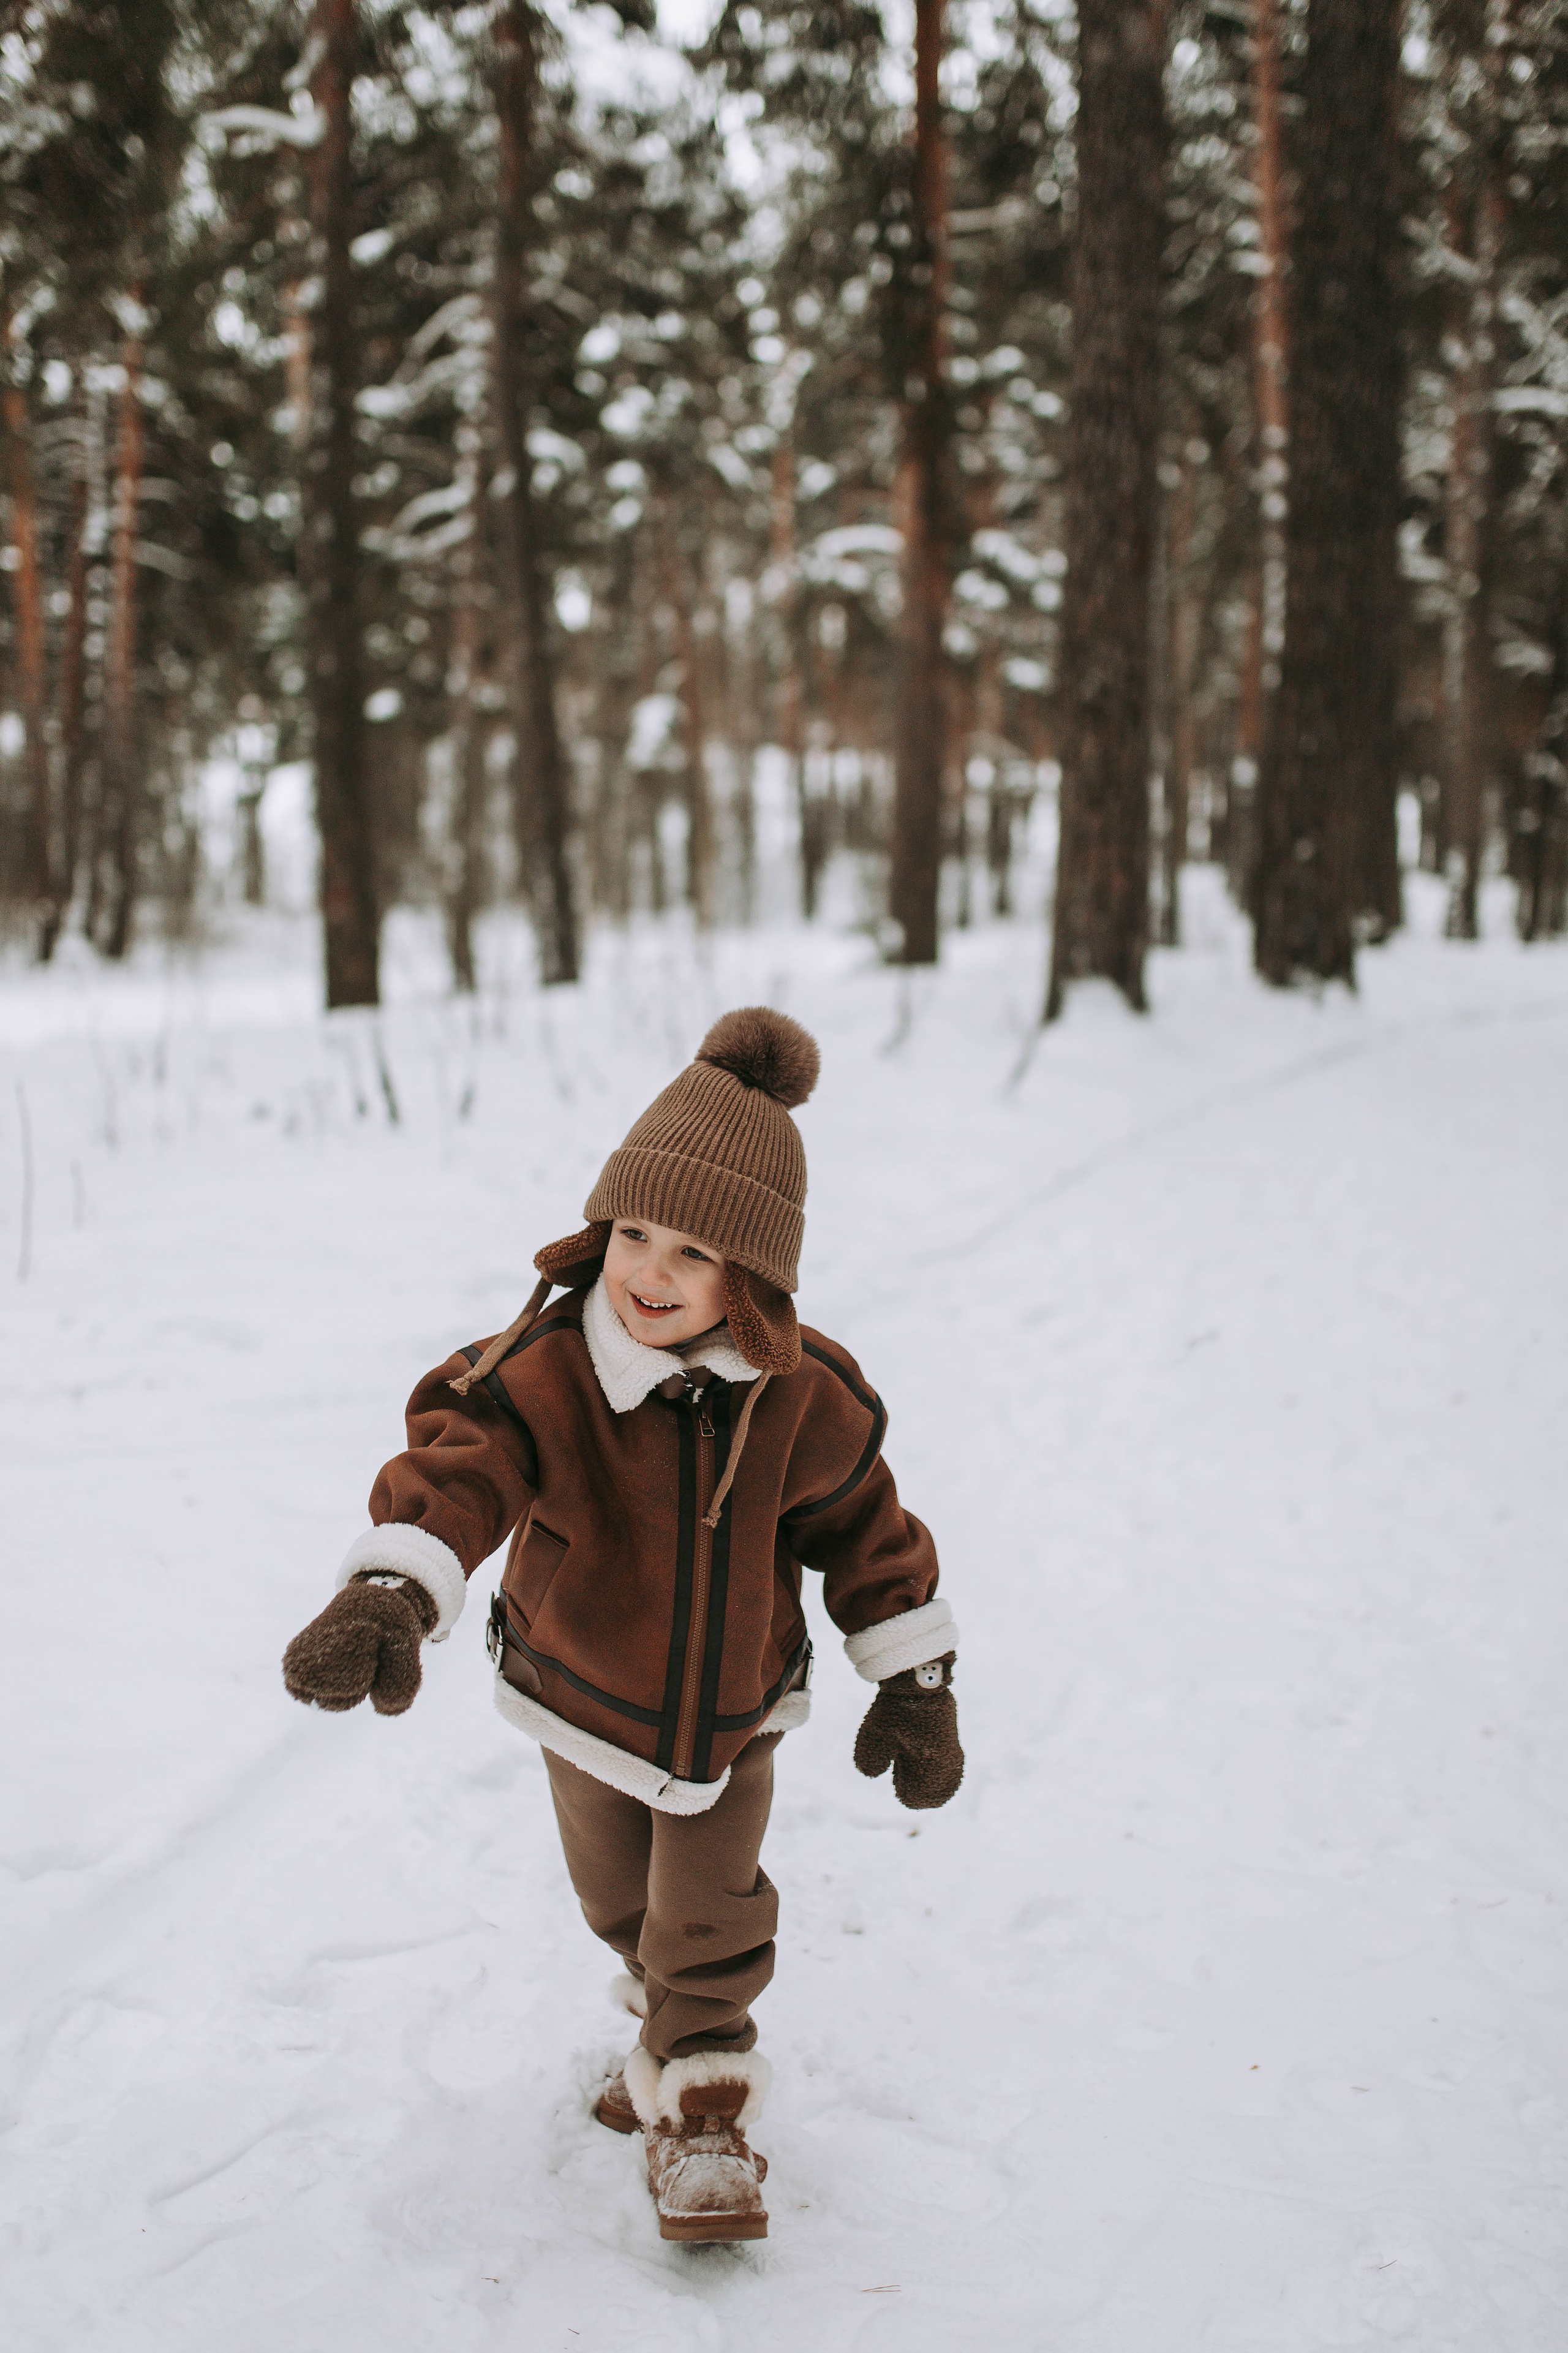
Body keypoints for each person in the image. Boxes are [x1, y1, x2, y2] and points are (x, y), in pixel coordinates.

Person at [282, 1006, 963, 2243]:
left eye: (691, 1251)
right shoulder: (547, 1368)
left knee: (705, 1913)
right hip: (576, 1697)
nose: (649, 1272)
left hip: (728, 1725)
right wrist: (396, 1584)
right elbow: (463, 1464)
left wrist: (912, 1677)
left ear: (747, 1274)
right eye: (635, 1233)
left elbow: (867, 1529)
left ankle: (702, 2104)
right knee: (620, 1905)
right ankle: (663, 2027)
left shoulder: (802, 1401)